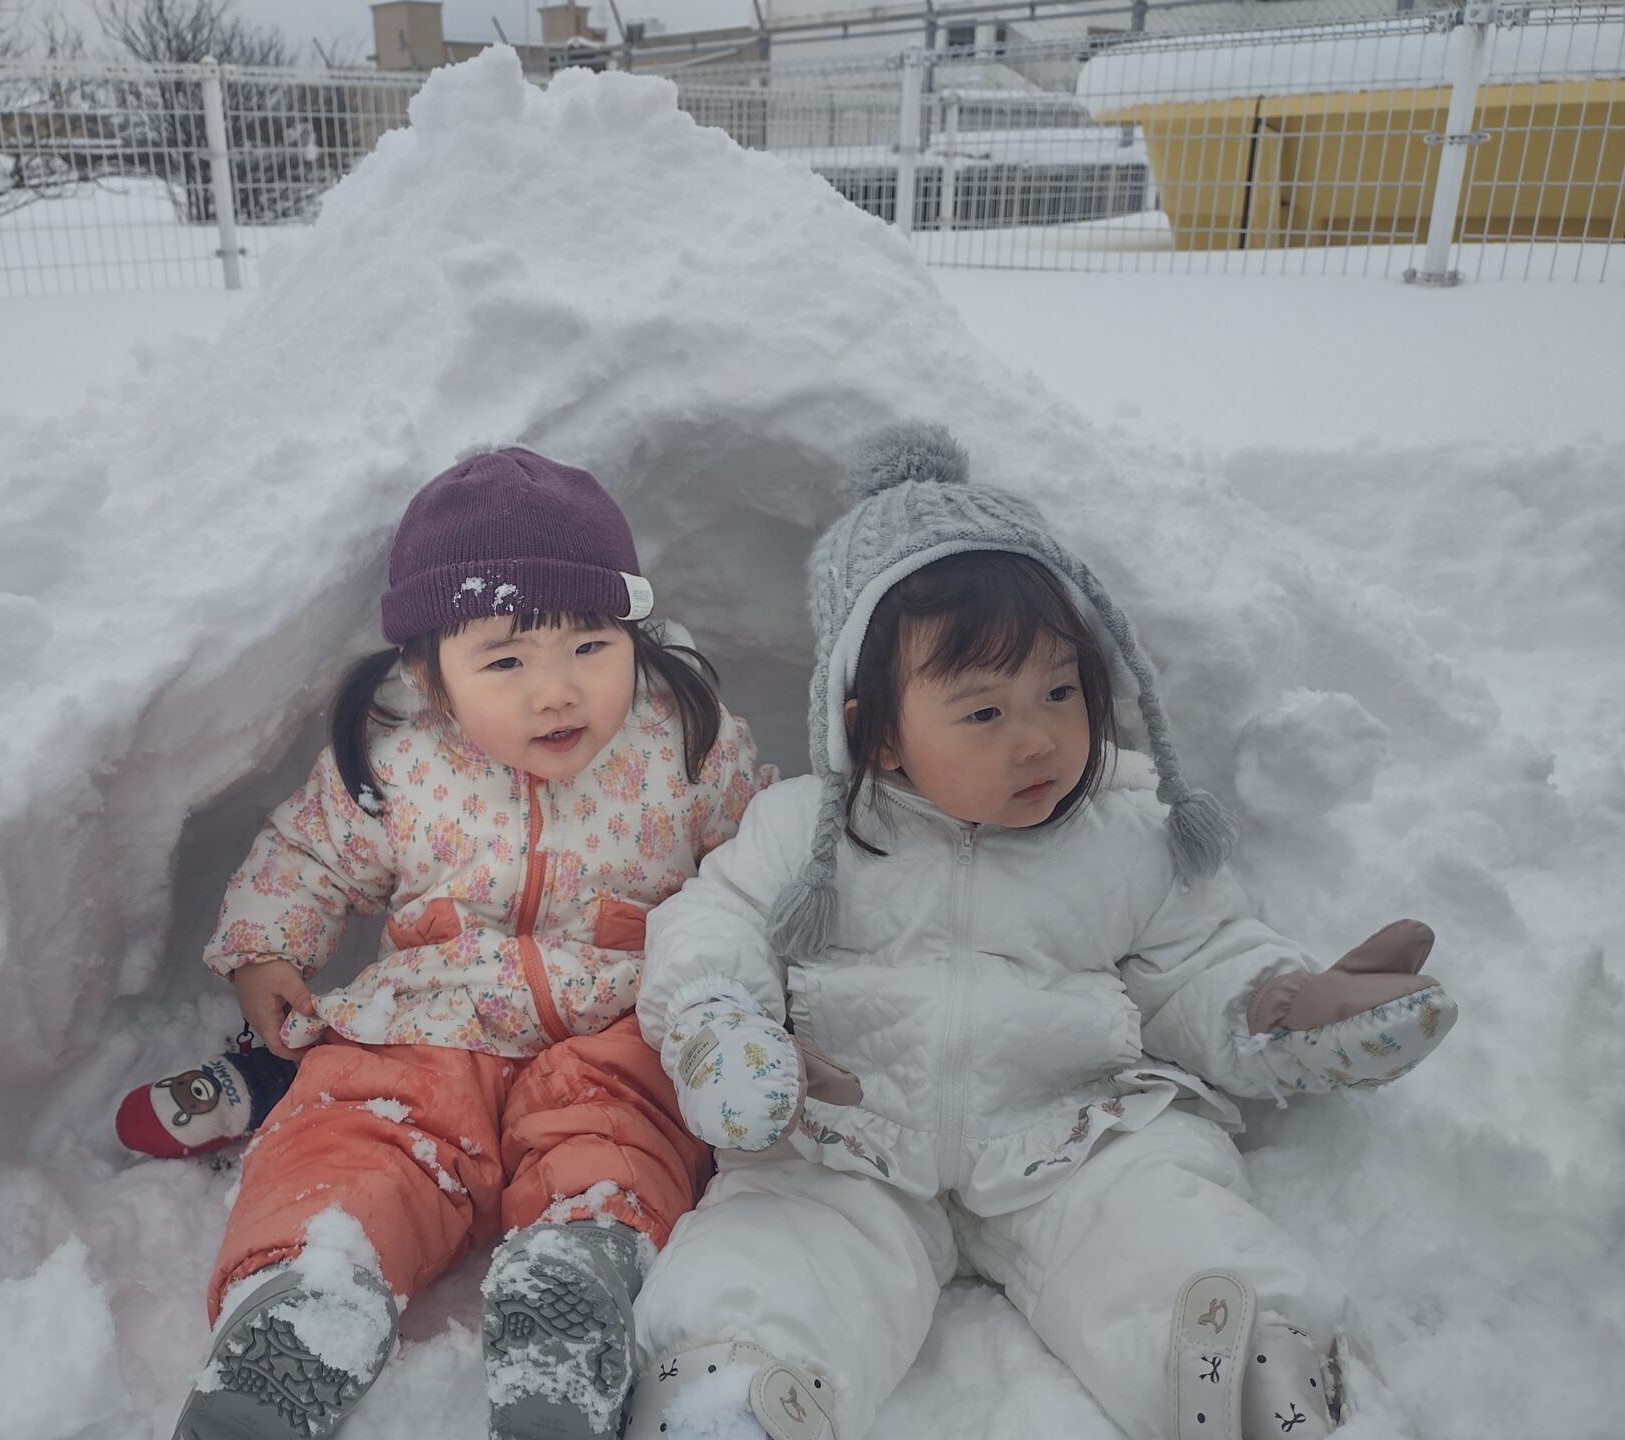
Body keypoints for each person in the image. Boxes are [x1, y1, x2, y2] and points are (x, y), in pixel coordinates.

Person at [624, 423, 1457, 1440]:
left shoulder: (1130, 830)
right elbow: (714, 920)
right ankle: (737, 1394)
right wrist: (725, 1024)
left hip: (1073, 1132)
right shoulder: (808, 831)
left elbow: (1192, 962)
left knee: (1162, 1215)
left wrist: (1279, 1006)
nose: (1040, 737)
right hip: (850, 1142)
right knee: (775, 1251)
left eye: (1059, 691)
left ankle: (1242, 1370)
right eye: (982, 712)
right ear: (873, 729)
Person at [161, 446, 769, 1440]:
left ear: (632, 634)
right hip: (431, 1018)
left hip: (616, 1018)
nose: (557, 692)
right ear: (431, 674)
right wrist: (267, 951)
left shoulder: (687, 741)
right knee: (353, 1121)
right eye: (506, 661)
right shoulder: (399, 761)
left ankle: (575, 1283)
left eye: (589, 646)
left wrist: (760, 987)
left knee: (625, 1127)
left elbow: (758, 868)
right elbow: (310, 856)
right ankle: (311, 1286)